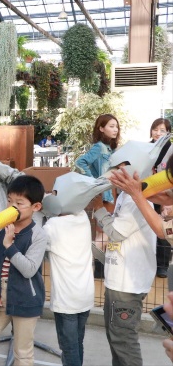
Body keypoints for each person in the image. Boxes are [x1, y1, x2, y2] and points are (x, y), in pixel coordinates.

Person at [0, 176, 47, 366]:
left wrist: (9, 246)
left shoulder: (38, 235)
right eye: (9, 200)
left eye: (19, 203)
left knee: (22, 352)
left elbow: (29, 269)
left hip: (26, 299)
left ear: (36, 207)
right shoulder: (1, 227)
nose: (12, 206)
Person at [90, 172, 156, 366]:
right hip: (119, 282)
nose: (114, 174)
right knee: (116, 338)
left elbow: (116, 232)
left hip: (127, 286)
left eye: (120, 169)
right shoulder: (125, 197)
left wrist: (99, 209)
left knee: (124, 341)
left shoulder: (136, 200)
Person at [43, 197, 94, 366]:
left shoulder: (52, 226)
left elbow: (37, 243)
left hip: (66, 300)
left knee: (69, 348)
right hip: (85, 296)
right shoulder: (83, 218)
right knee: (77, 343)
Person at [75, 114, 120, 278]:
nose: (115, 129)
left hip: (111, 193)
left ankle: (100, 268)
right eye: (111, 126)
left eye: (116, 126)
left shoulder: (110, 148)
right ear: (101, 128)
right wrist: (94, 182)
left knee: (107, 230)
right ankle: (97, 269)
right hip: (103, 193)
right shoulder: (99, 147)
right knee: (104, 231)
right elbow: (80, 162)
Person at [150, 118, 173, 278]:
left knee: (165, 229)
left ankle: (162, 266)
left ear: (168, 133)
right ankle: (151, 263)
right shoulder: (146, 148)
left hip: (166, 194)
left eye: (162, 130)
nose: (158, 133)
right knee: (151, 227)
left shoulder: (171, 149)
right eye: (155, 129)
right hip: (149, 193)